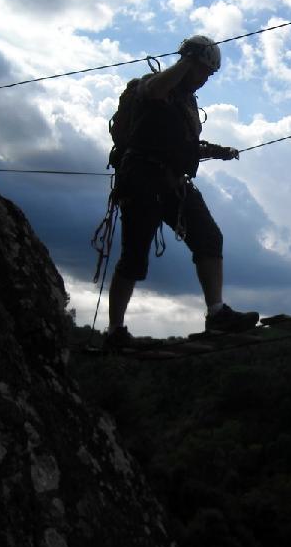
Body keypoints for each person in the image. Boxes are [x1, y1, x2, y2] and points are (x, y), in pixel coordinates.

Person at [104, 35, 259, 349]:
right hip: (142, 179)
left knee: (209, 237)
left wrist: (216, 151)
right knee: (134, 257)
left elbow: (181, 145)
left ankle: (216, 313)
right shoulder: (152, 84)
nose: (205, 80)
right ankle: (115, 331)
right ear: (191, 63)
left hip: (174, 181)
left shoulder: (187, 101)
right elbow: (155, 92)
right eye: (204, 71)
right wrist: (188, 59)